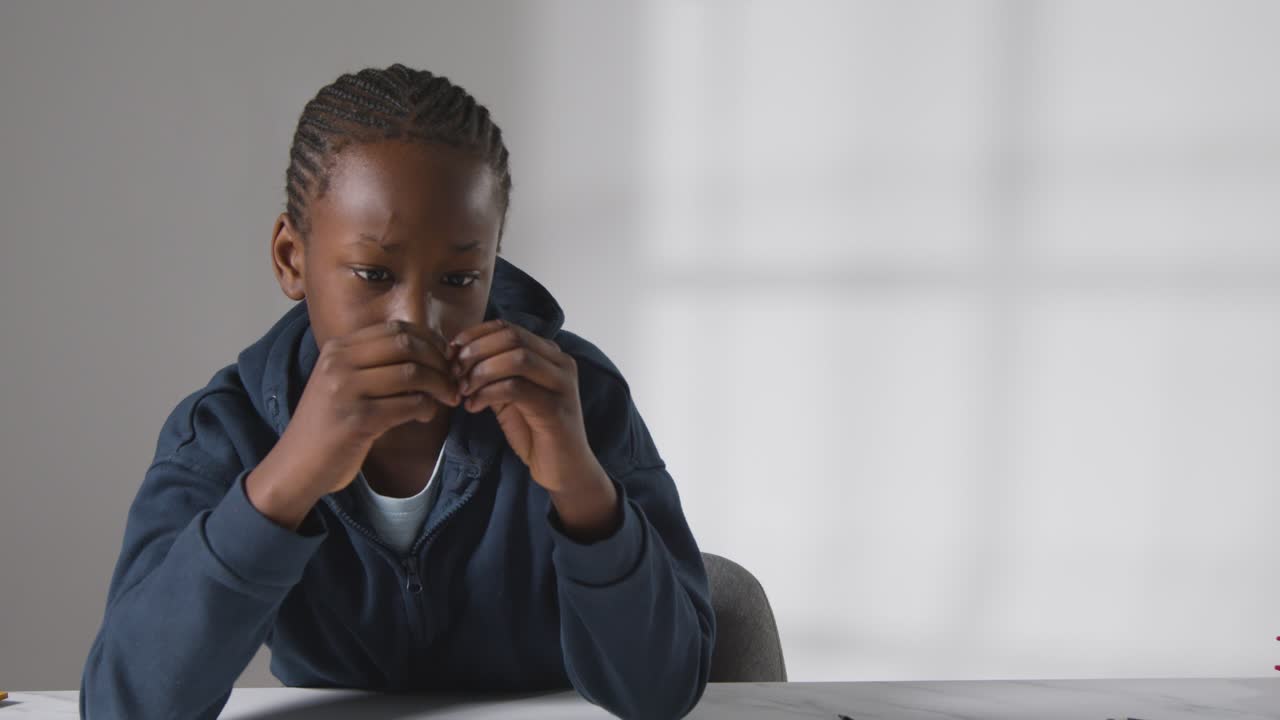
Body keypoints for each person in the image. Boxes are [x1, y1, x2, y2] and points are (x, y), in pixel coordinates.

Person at [79, 63, 715, 720]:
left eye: (461, 280)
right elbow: (126, 707)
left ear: (494, 262)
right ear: (291, 259)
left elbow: (661, 695)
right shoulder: (225, 430)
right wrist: (286, 480)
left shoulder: (575, 401)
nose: (417, 318)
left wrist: (581, 487)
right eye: (373, 273)